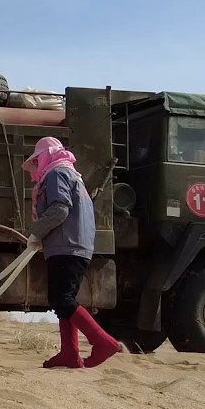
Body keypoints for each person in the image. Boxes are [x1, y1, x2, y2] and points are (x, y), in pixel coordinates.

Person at [22, 136, 123, 369]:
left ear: (46, 156)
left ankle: (103, 342)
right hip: (75, 245)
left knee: (62, 299)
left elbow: (59, 209)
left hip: (66, 246)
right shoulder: (71, 174)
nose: (35, 168)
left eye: (37, 162)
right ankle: (70, 354)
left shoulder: (57, 174)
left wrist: (37, 232)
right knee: (63, 299)